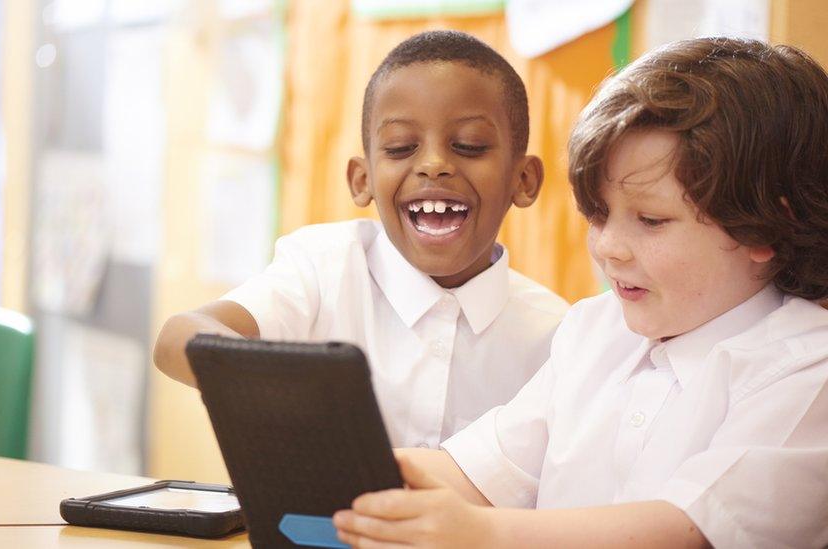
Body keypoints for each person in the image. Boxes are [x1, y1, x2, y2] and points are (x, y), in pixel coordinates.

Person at [333, 37, 828, 548]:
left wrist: (480, 534)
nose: (609, 248)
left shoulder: (807, 369)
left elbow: (683, 532)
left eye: (651, 220)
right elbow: (476, 473)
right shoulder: (595, 330)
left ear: (763, 228)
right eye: (598, 214)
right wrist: (333, 474)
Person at [153, 30, 568, 448]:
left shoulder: (558, 335)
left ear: (524, 180)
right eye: (401, 147)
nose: (434, 164)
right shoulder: (322, 269)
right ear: (361, 179)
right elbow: (177, 338)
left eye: (469, 145)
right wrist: (283, 390)